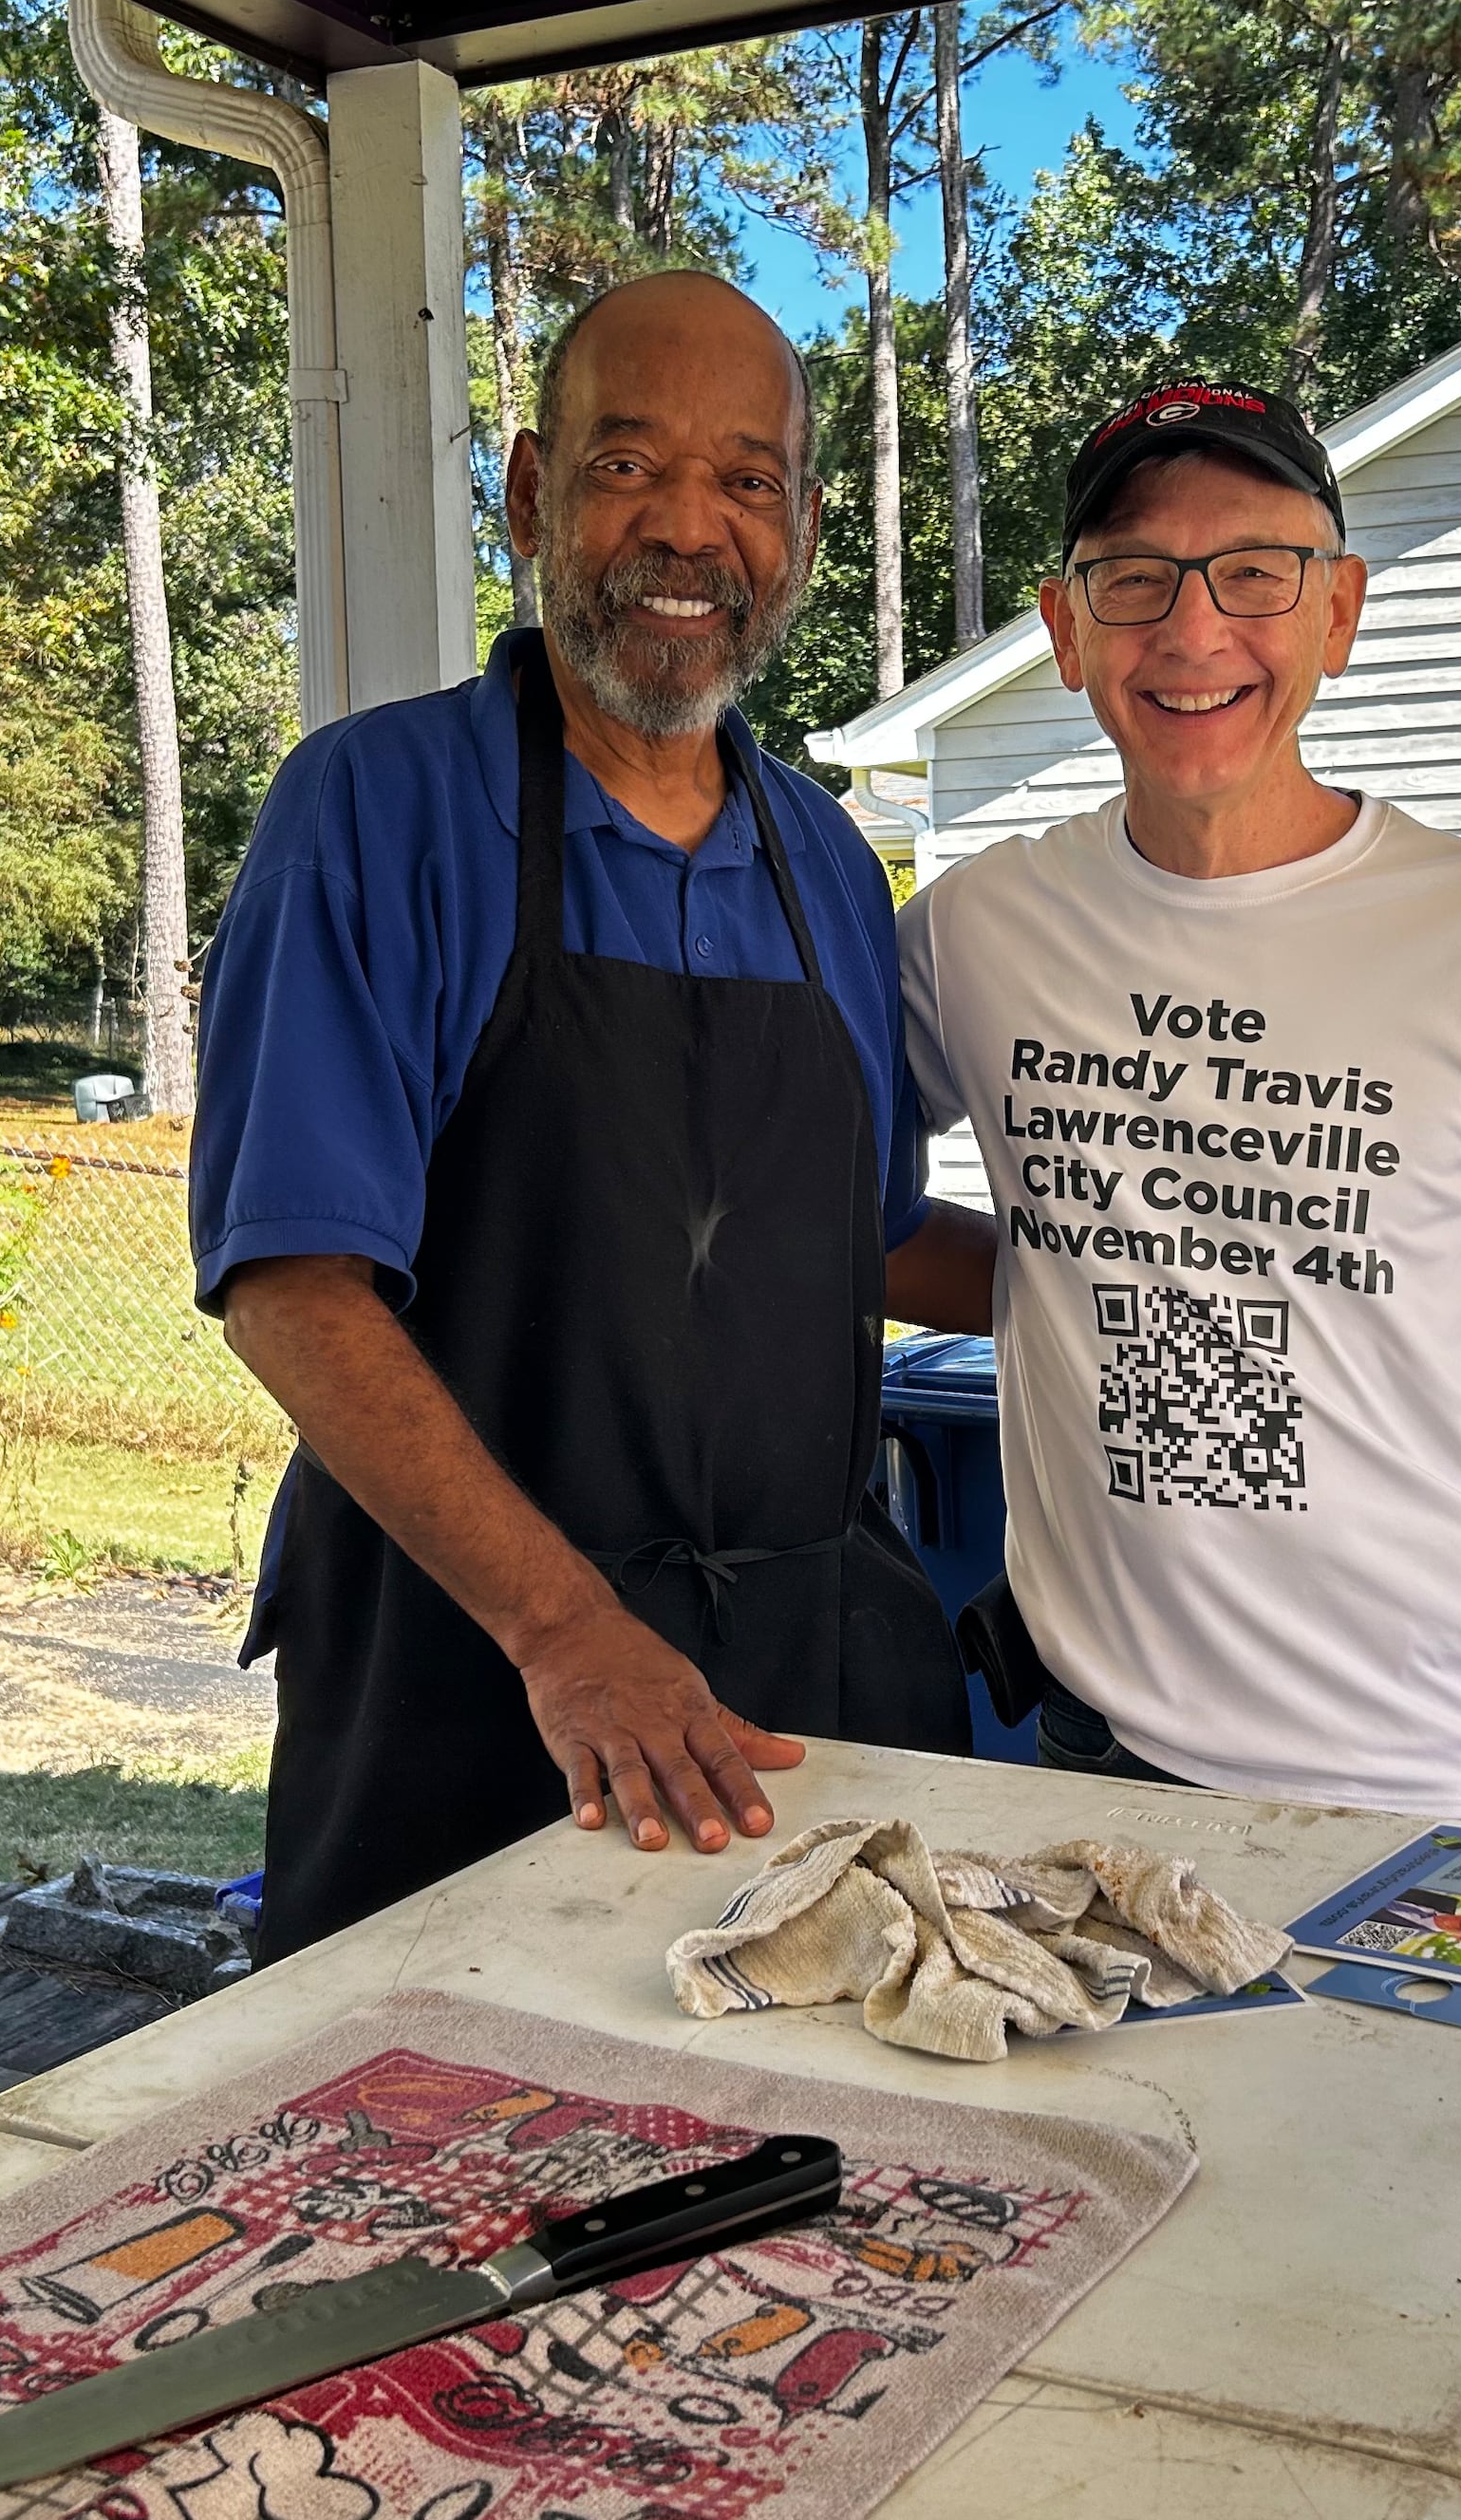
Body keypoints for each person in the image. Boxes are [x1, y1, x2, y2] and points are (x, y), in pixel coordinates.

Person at [192, 271, 970, 1959]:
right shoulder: (378, 810)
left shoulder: (828, 864)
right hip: (478, 1688)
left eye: (746, 481)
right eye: (630, 468)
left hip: (791, 1696)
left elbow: (873, 1242)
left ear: (807, 528)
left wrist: (1167, 1270)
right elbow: (294, 1290)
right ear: (538, 495)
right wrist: (569, 1634)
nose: (689, 530)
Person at [892, 381, 1461, 1836]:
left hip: (1456, 1767)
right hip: (1106, 1763)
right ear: (1065, 633)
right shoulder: (975, 933)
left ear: (1340, 611)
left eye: (1255, 572)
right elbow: (833, 1217)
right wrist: (1063, 1284)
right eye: (1134, 581)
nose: (1194, 633)